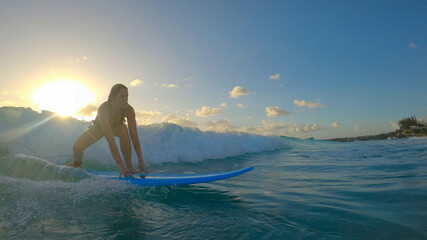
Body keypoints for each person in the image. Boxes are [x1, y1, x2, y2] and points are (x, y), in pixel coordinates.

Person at [68, 83, 149, 177]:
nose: (125, 100)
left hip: (116, 127)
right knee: (77, 147)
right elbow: (111, 141)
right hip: (99, 128)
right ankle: (77, 164)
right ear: (112, 97)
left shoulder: (129, 110)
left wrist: (140, 161)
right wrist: (120, 164)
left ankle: (130, 166)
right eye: (122, 96)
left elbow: (134, 137)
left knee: (123, 130)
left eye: (127, 96)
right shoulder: (104, 109)